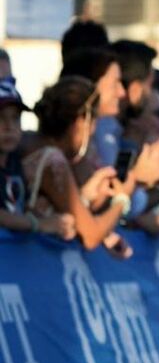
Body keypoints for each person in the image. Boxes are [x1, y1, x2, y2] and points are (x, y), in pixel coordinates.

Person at [23, 77, 128, 250]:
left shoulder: (30, 143)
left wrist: (85, 196)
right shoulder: (51, 159)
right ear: (82, 122)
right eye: (94, 121)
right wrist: (122, 198)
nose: (94, 131)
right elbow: (91, 236)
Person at [0, 79, 76, 240]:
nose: (9, 126)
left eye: (15, 118)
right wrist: (39, 224)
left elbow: (21, 206)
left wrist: (56, 222)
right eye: (0, 118)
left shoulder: (14, 161)